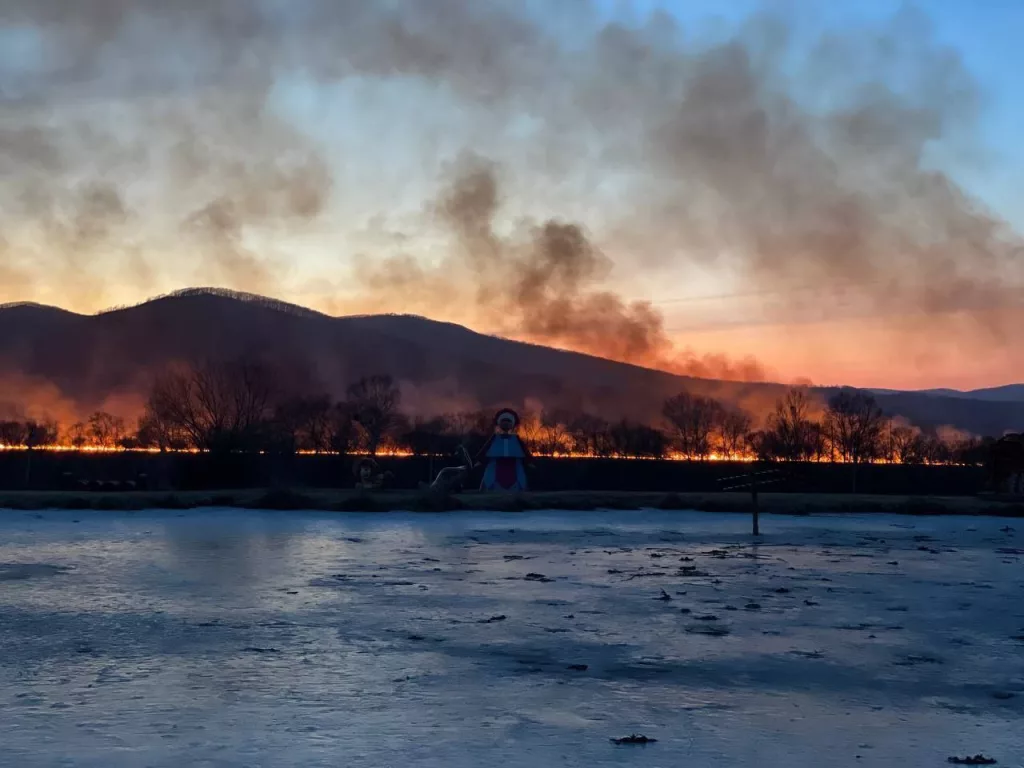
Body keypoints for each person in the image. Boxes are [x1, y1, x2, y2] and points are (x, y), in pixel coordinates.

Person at [476, 409, 531, 491]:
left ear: (512, 424)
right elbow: (485, 449)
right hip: (495, 467)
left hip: (515, 467)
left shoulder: (516, 439)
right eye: (503, 421)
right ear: (499, 423)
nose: (506, 423)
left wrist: (530, 461)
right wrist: (479, 460)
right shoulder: (494, 438)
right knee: (490, 479)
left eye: (508, 421)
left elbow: (525, 451)